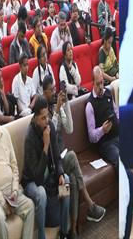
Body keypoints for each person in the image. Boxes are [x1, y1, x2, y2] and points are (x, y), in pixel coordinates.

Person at [41, 76, 106, 233]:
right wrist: (57, 109)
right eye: (51, 90)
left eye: (54, 88)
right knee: (72, 156)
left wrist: (66, 104)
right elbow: (50, 133)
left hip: (61, 160)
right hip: (53, 164)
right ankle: (90, 204)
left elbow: (70, 128)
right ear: (44, 92)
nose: (54, 92)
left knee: (72, 180)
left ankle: (73, 229)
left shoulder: (55, 106)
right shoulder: (42, 112)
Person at [0, 97, 35, 239]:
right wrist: (2, 200)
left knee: (30, 206)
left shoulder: (5, 134)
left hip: (12, 193)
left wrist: (15, 191)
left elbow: (14, 166)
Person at [22, 95, 70, 239]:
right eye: (43, 118)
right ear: (35, 118)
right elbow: (37, 177)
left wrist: (60, 173)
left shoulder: (50, 126)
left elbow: (57, 155)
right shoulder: (30, 138)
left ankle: (64, 233)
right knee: (42, 193)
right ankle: (41, 236)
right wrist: (45, 146)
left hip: (48, 177)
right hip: (31, 182)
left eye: (47, 116)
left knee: (66, 181)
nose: (46, 120)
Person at [87, 67, 119, 170]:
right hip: (106, 144)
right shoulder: (90, 105)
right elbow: (91, 136)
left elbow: (116, 112)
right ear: (93, 83)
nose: (101, 87)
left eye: (102, 82)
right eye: (98, 84)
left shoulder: (108, 93)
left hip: (118, 135)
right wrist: (102, 130)